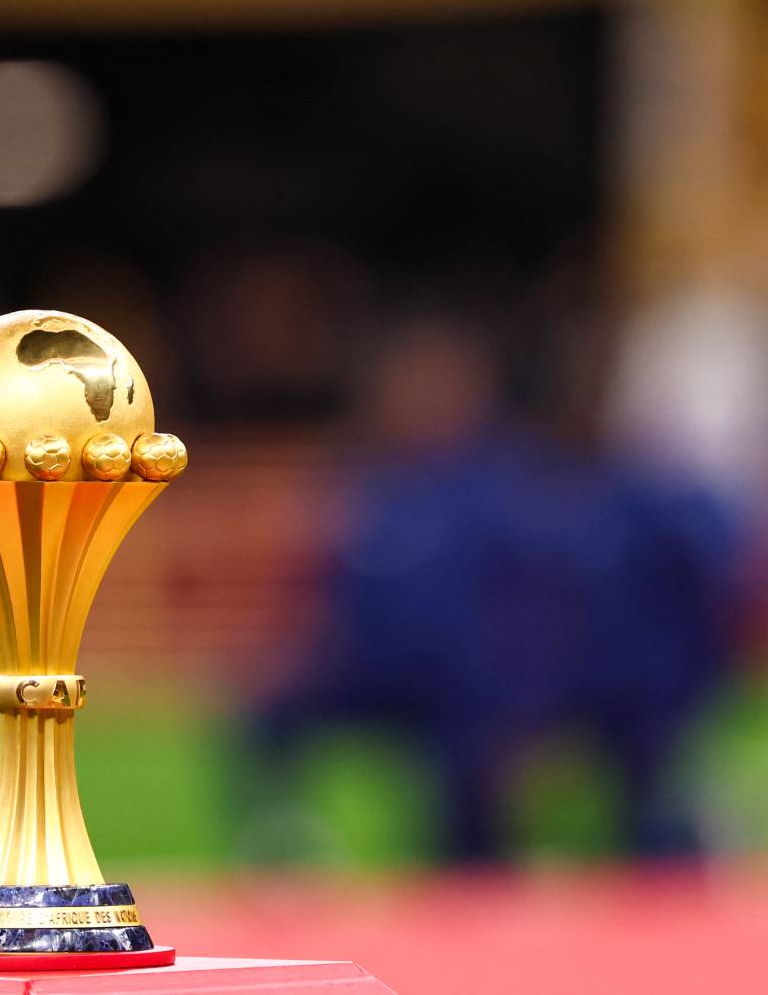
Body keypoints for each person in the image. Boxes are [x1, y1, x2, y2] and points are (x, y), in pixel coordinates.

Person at [246, 319, 740, 864]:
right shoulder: (364, 483)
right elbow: (327, 600)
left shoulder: (512, 492)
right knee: (272, 706)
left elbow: (531, 617)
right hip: (391, 680)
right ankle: (282, 845)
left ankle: (671, 839)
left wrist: (528, 716)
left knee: (524, 769)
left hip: (502, 699)